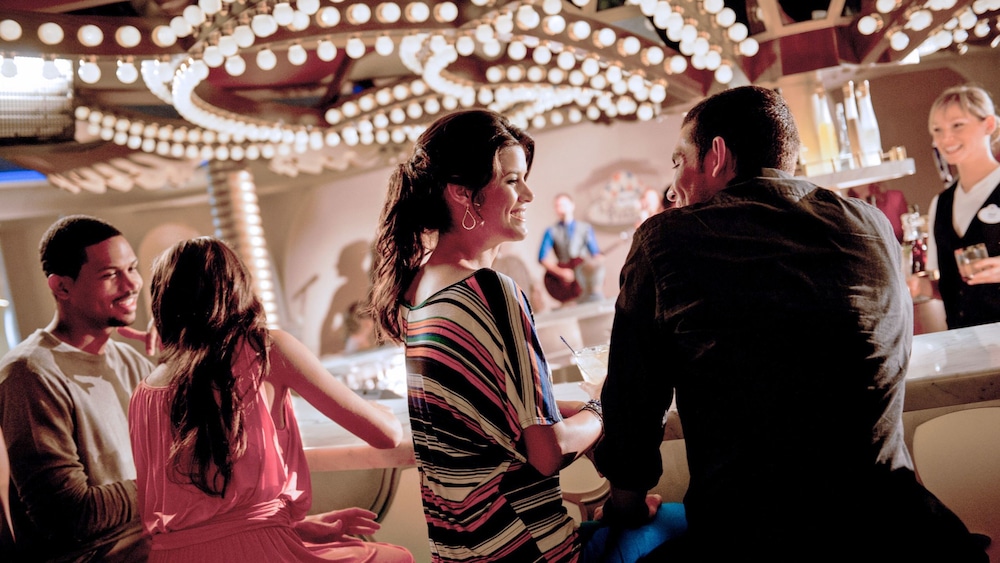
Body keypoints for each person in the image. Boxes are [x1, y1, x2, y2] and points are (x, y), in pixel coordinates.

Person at [595, 85, 988, 562]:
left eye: (679, 161)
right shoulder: (871, 225)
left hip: (754, 538)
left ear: (716, 155)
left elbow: (633, 404)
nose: (673, 186)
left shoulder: (665, 240)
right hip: (899, 529)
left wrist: (627, 507)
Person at [367, 108, 685, 562]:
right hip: (532, 551)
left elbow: (496, 417)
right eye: (513, 180)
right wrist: (602, 406)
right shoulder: (489, 290)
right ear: (463, 194)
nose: (529, 194)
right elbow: (547, 454)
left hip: (461, 554)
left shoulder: (416, 289)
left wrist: (579, 413)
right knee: (689, 523)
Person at [128, 237, 414, 563]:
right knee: (397, 558)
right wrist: (381, 409)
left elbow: (195, 517)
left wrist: (302, 526)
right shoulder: (264, 349)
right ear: (238, 286)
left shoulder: (143, 393)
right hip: (256, 552)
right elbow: (386, 435)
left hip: (171, 557)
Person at [0, 215, 154, 562]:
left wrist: (181, 355)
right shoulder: (29, 373)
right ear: (61, 287)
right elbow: (69, 516)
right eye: (110, 274)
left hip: (155, 539)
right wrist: (169, 484)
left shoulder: (132, 363)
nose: (131, 284)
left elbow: (193, 458)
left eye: (132, 268)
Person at [911, 84, 1000, 329]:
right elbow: (951, 287)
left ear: (989, 125)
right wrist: (920, 287)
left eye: (957, 125)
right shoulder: (941, 204)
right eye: (937, 130)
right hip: (963, 342)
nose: (945, 138)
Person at [538, 193, 605, 304]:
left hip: (583, 276)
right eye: (558, 206)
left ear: (572, 205)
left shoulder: (585, 228)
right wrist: (561, 272)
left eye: (564, 205)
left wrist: (596, 262)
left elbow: (595, 253)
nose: (561, 208)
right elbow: (542, 258)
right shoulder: (551, 231)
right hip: (565, 283)